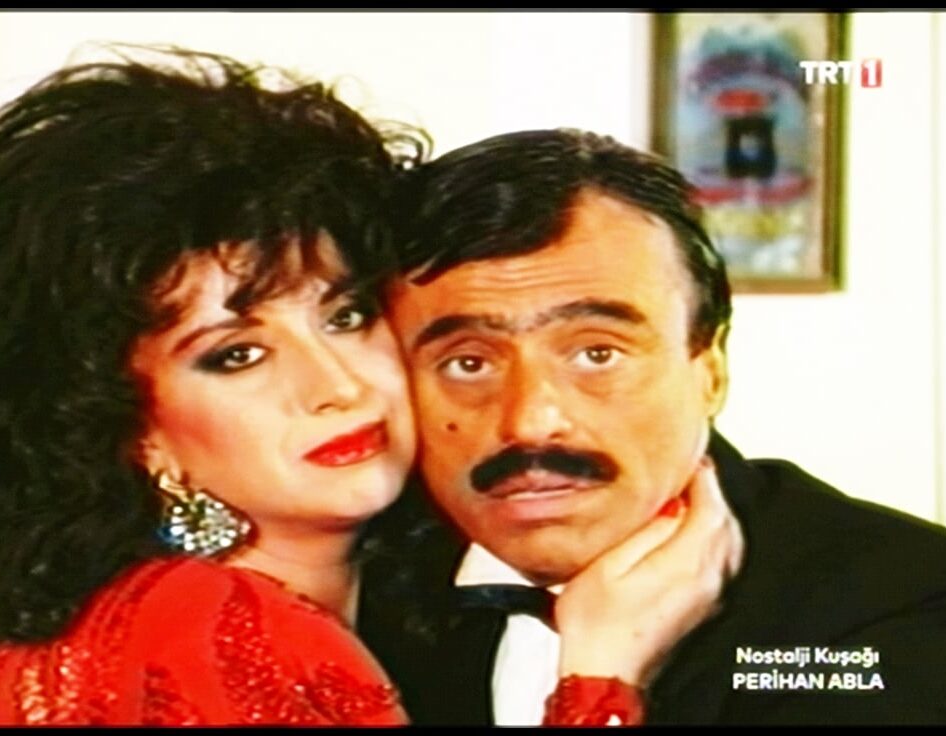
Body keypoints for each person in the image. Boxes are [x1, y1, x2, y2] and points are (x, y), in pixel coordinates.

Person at [0, 53, 734, 726]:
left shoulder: (141, 616)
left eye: (346, 315)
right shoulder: (219, 630)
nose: (335, 385)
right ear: (129, 425)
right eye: (237, 355)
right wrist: (604, 675)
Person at [359, 127, 946, 725]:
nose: (532, 422)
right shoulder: (357, 590)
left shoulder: (897, 611)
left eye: (597, 353)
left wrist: (601, 684)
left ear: (710, 369)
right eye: (469, 364)